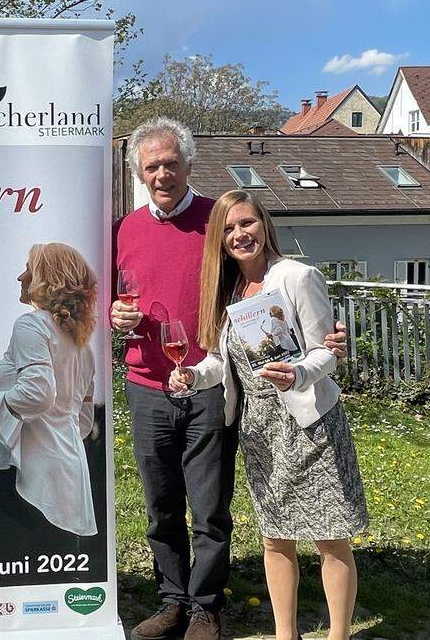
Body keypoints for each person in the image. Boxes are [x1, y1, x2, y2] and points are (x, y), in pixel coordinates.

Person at [112, 117, 347, 640]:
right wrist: (115, 316)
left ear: (189, 164)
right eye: (152, 166)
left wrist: (322, 344)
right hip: (148, 383)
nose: (163, 173)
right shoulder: (125, 229)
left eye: (172, 163)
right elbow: (115, 295)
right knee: (160, 505)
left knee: (210, 505)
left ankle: (205, 608)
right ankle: (171, 600)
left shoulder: (217, 221)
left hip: (213, 384)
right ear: (139, 173)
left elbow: (264, 280)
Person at [171, 190, 368, 640]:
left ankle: (338, 635)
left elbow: (327, 355)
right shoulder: (229, 289)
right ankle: (286, 635)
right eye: (229, 229)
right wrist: (192, 376)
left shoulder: (298, 276)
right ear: (219, 241)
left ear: (265, 224)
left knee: (330, 536)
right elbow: (224, 363)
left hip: (310, 424)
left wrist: (297, 373)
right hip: (258, 427)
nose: (240, 235)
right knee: (275, 538)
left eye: (247, 223)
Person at [0, 243, 98, 565]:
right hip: (66, 469)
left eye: (29, 270)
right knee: (59, 570)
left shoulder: (30, 325)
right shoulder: (82, 345)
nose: (21, 276)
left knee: (16, 571)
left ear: (49, 279)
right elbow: (84, 420)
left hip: (26, 473)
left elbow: (38, 393)